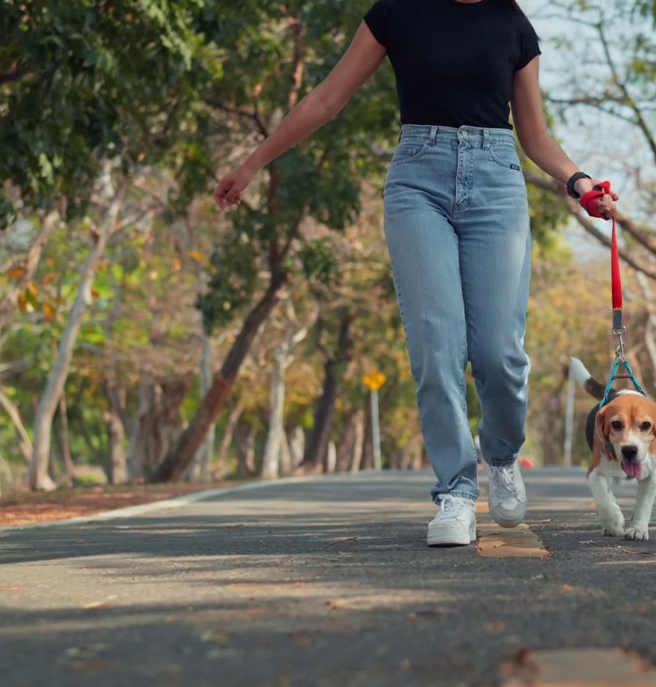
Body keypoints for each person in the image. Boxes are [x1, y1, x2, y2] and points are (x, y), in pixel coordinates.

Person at [213, 0, 617, 547]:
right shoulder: (398, 11)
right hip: (416, 184)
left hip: (497, 184)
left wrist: (580, 183)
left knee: (500, 352)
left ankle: (500, 457)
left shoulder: (513, 24)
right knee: (436, 342)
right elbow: (327, 98)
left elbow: (536, 136)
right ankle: (454, 490)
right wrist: (252, 163)